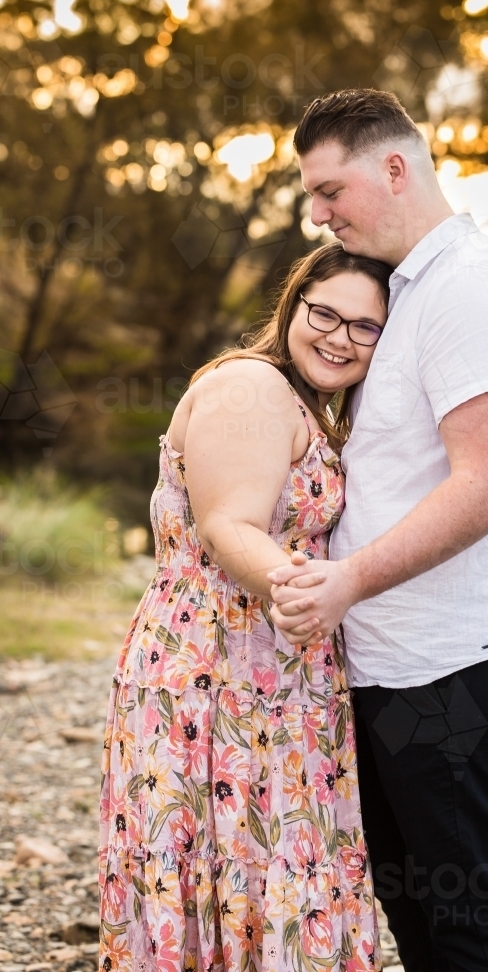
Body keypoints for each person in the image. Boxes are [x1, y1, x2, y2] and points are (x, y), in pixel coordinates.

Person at [269, 89, 488, 972]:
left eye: (329, 191)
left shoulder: (471, 291)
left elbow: (487, 485)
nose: (317, 215)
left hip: (456, 662)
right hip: (396, 662)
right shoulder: (408, 293)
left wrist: (346, 581)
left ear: (394, 168)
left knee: (468, 918)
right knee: (417, 910)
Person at [99, 242, 392, 972]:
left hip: (276, 677)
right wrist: (301, 590)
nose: (339, 336)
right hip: (211, 675)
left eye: (365, 327)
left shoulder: (311, 408)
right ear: (292, 304)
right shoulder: (252, 386)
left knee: (270, 868)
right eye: (323, 312)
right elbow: (228, 524)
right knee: (224, 866)